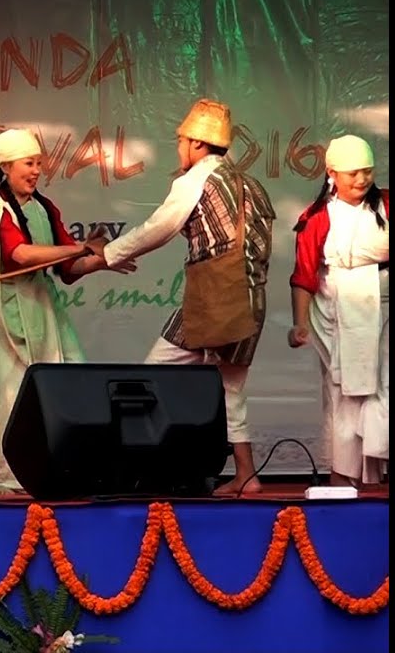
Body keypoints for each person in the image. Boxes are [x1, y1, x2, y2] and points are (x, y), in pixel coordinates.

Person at [101, 99, 275, 495]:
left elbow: (157, 229)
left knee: (153, 375)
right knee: (224, 387)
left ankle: (139, 467)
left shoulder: (197, 179)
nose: (179, 148)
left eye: (181, 141)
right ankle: (241, 474)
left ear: (197, 144)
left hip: (217, 298)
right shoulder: (251, 183)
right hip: (248, 298)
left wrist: (108, 255)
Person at [0, 129, 133, 493]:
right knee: (11, 392)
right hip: (7, 307)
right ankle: (4, 474)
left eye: (39, 164)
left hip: (43, 305)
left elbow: (66, 269)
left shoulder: (44, 207)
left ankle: (66, 464)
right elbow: (21, 255)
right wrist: (81, 248)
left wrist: (102, 260)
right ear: (6, 166)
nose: (35, 171)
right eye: (29, 164)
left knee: (69, 378)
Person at [288, 134, 388, 487]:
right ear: (331, 172)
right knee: (344, 395)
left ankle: (377, 472)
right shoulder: (315, 217)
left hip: (385, 310)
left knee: (383, 389)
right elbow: (303, 275)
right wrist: (299, 324)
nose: (362, 180)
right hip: (336, 313)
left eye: (367, 172)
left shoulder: (386, 205)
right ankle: (342, 478)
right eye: (352, 174)